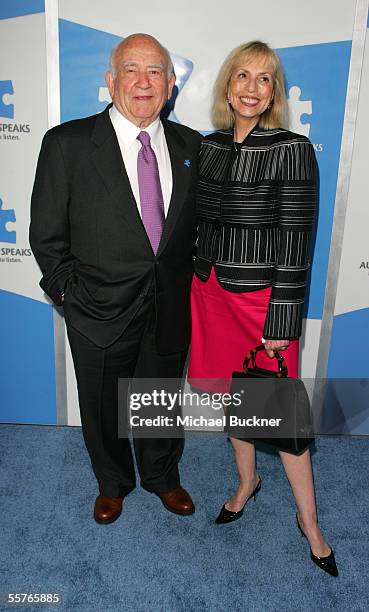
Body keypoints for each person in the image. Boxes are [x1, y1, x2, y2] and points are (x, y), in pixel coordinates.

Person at [30, 33, 201, 524]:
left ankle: (161, 476)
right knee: (103, 406)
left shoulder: (192, 146)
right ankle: (112, 481)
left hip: (168, 303)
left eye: (154, 72)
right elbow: (46, 235)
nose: (142, 81)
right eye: (131, 69)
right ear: (110, 81)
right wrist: (68, 293)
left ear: (171, 85)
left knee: (159, 397)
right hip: (97, 308)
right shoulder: (67, 143)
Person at [188, 41, 338, 577]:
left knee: (280, 415)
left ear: (274, 92)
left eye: (265, 79)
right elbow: (198, 226)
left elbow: (298, 242)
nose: (251, 88)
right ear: (227, 85)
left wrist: (282, 320)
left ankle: (311, 524)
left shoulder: (292, 149)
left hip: (260, 304)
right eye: (242, 76)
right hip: (209, 294)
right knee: (235, 399)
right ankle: (247, 482)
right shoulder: (207, 146)